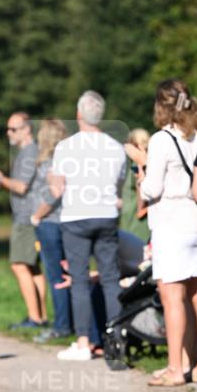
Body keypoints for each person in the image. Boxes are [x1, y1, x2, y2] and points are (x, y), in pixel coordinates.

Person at [49, 90, 127, 361]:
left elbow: (57, 190)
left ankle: (83, 342)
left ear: (79, 114)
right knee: (109, 279)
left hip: (75, 217)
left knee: (80, 280)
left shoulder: (66, 148)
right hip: (105, 215)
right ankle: (117, 341)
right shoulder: (116, 148)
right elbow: (118, 186)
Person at [138, 79, 197, 387]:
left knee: (172, 297)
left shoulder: (161, 139)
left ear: (161, 106)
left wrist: (140, 171)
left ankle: (175, 368)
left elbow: (153, 188)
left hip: (170, 224)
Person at [0, 111, 47, 329]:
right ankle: (41, 317)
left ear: (27, 129)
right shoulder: (30, 152)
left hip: (26, 218)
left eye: (13, 129)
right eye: (8, 129)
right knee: (33, 267)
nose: (9, 133)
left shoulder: (28, 152)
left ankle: (35, 318)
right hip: (31, 216)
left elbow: (21, 186)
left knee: (19, 264)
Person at [29, 118, 73, 342]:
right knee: (68, 275)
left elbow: (55, 192)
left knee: (56, 276)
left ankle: (62, 325)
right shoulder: (68, 160)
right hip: (66, 223)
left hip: (50, 223)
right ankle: (71, 322)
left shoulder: (49, 163)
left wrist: (37, 215)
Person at [121, 128, 150, 240]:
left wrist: (140, 209)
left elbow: (142, 198)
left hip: (135, 226)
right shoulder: (147, 162)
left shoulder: (136, 165)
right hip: (138, 225)